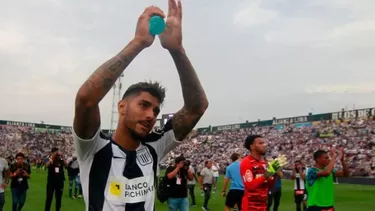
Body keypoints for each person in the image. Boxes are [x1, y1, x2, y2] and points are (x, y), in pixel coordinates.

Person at [72, 0, 208, 210]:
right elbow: (85, 100)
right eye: (143, 105)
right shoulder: (94, 148)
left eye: (155, 110)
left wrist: (177, 50)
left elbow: (196, 108)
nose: (150, 115)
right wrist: (138, 42)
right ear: (122, 107)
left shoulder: (155, 146)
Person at [240, 135, 281, 211]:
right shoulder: (247, 162)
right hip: (250, 207)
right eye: (260, 143)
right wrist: (269, 173)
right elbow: (250, 186)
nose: (264, 145)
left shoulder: (263, 163)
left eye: (264, 143)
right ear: (252, 146)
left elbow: (269, 185)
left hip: (263, 206)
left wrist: (274, 173)